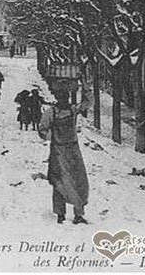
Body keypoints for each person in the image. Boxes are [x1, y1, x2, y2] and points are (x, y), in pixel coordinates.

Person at [38, 83, 90, 225]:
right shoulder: (51, 112)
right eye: (61, 97)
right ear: (57, 97)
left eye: (66, 97)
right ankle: (60, 213)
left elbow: (86, 104)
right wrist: (52, 137)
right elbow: (42, 130)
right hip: (58, 152)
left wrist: (85, 89)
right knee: (59, 182)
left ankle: (78, 214)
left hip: (73, 151)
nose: (64, 100)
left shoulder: (73, 110)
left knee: (79, 182)